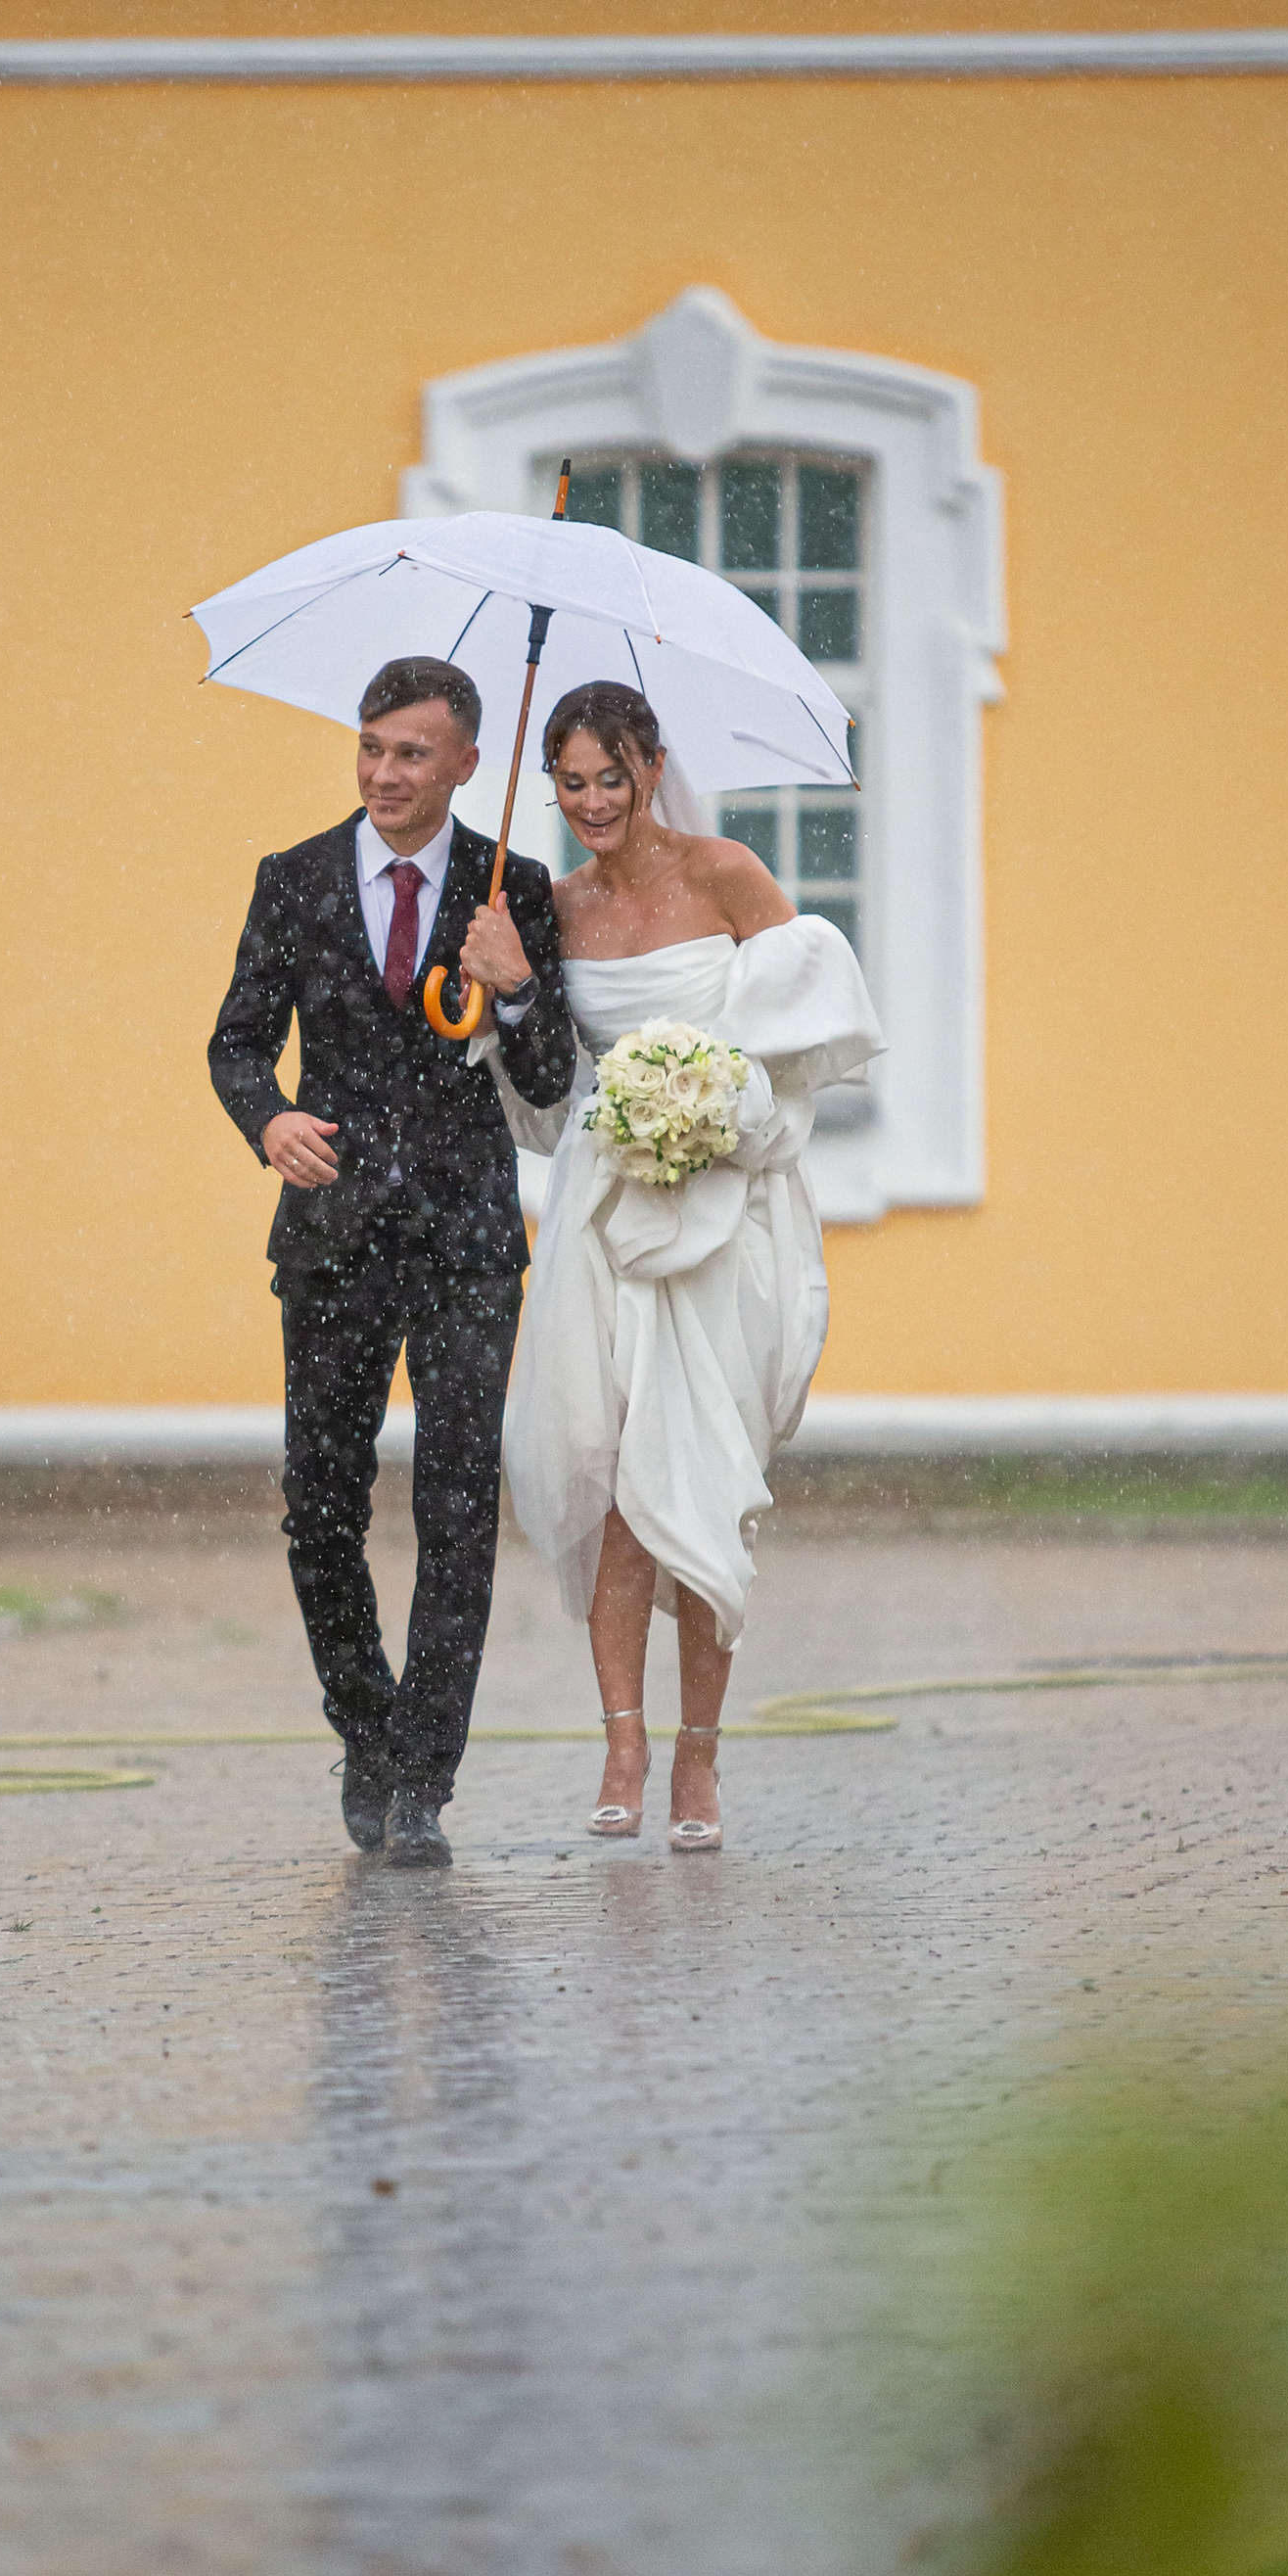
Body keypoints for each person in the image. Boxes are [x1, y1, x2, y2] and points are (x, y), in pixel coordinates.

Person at [494, 681, 882, 1851]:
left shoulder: (727, 878)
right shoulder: (549, 907)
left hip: (724, 1213)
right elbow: (549, 1089)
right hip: (604, 1219)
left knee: (699, 1482)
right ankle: (622, 1740)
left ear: (651, 769)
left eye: (611, 777)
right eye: (570, 783)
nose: (592, 803)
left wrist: (713, 1108)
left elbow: (796, 1050)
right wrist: (510, 983)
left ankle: (699, 1766)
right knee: (613, 1480)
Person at [208, 657, 577, 1868]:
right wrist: (268, 1118)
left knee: (459, 1510)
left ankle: (424, 1778)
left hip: (468, 1243)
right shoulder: (295, 879)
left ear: (467, 762)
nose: (383, 773)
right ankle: (365, 1729)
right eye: (371, 747)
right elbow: (236, 1044)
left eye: (411, 753)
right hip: (331, 1244)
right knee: (318, 1507)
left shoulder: (510, 888)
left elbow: (549, 1084)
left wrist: (516, 991)